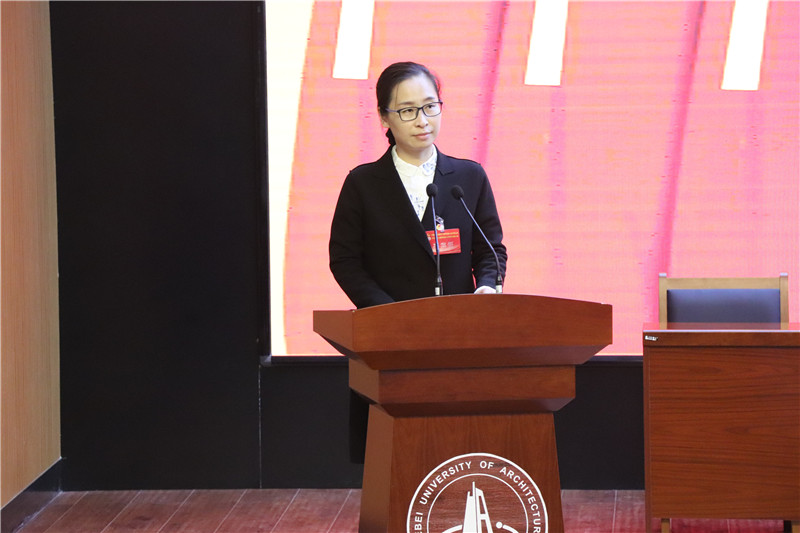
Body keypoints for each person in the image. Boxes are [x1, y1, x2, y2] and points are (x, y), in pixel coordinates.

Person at [329, 61, 507, 308]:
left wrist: (487, 285)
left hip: (459, 320)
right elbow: (345, 260)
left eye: (430, 107)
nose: (422, 121)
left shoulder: (469, 177)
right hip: (388, 323)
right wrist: (385, 310)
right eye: (408, 110)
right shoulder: (362, 184)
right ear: (383, 116)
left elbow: (490, 249)